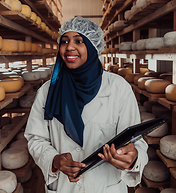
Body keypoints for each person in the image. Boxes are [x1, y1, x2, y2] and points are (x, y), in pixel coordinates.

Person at [24, 17, 148, 193]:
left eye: (79, 41)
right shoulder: (47, 91)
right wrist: (54, 160)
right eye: (64, 41)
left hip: (106, 186)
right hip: (65, 187)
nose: (69, 47)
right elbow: (36, 138)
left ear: (92, 47)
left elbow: (136, 141)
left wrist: (133, 158)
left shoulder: (118, 88)